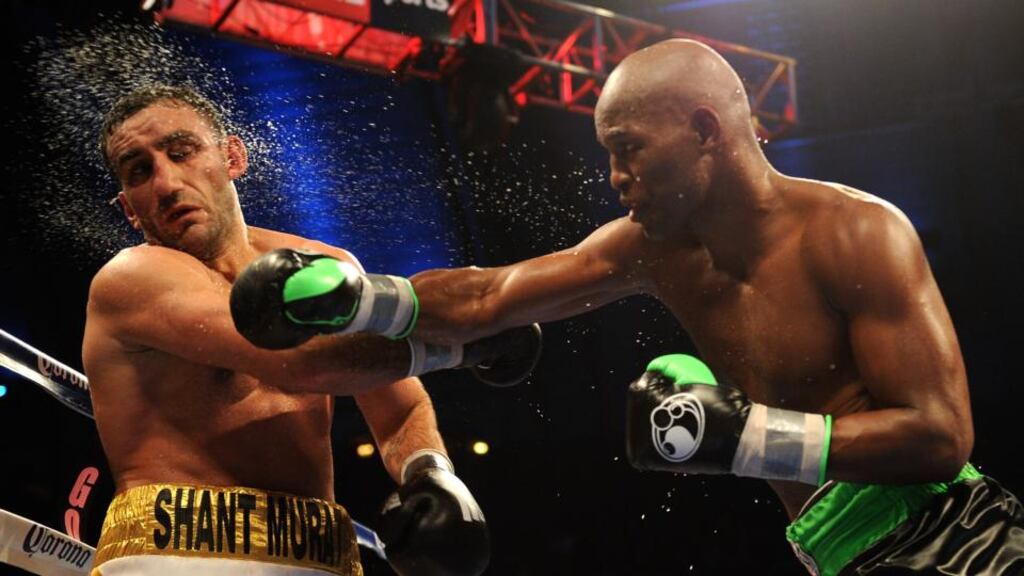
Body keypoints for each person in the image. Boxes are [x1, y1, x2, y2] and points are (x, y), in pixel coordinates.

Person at [236, 40, 1024, 575]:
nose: (615, 178)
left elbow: (939, 437)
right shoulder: (649, 247)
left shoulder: (855, 232)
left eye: (629, 149)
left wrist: (748, 437)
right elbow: (488, 296)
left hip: (956, 540)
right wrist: (359, 299)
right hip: (836, 554)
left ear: (705, 130)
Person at [82, 84, 540, 576]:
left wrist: (429, 472)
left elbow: (399, 408)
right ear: (129, 208)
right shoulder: (130, 278)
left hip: (322, 551)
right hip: (178, 546)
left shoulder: (324, 263)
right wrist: (464, 345)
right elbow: (305, 362)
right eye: (140, 171)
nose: (167, 183)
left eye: (181, 152)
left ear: (233, 156)